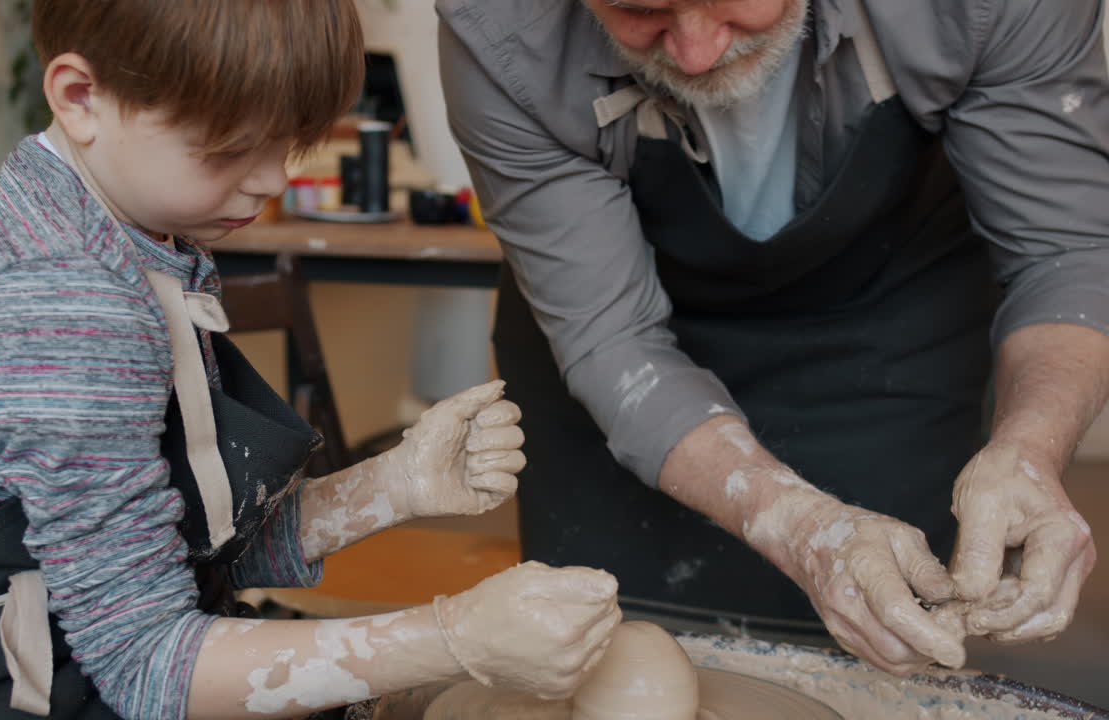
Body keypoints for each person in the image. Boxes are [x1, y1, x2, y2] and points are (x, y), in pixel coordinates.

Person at [0, 2, 623, 718]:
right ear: (80, 99)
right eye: (230, 148)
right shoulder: (60, 299)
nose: (271, 179)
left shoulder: (130, 231)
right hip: (1, 681)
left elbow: (180, 548)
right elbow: (149, 668)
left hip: (89, 637)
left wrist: (393, 484)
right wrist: (454, 636)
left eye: (291, 142)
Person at [437, 0, 1108, 676]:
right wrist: (796, 524)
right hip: (617, 380)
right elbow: (614, 339)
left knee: (880, 660)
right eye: (641, 9)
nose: (694, 52)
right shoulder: (498, 25)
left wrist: (1030, 449)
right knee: (600, 665)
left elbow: (1065, 251)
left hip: (887, 335)